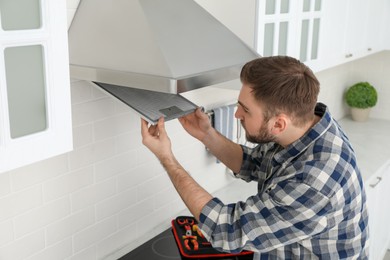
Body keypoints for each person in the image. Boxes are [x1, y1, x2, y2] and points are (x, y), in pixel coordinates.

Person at [141, 56, 369, 259]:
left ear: (279, 123)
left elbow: (226, 229)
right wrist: (207, 134)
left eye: (245, 109)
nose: (236, 114)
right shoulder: (308, 128)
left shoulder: (314, 182)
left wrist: (166, 157)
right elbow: (256, 163)